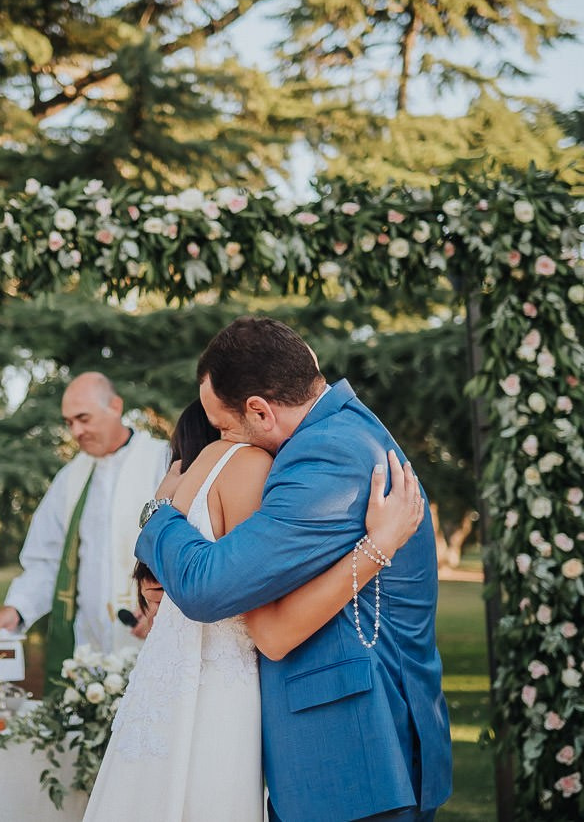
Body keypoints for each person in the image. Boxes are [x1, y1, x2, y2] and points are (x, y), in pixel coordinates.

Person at [137, 316, 453, 822]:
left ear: (259, 411)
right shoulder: (346, 430)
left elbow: (207, 586)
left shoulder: (325, 457)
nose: (222, 442)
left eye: (223, 427)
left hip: (355, 752)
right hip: (352, 748)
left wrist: (156, 516)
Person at [84, 397, 426, 822]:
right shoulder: (246, 466)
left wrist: (155, 511)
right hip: (222, 700)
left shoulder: (180, 497)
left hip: (168, 697)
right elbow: (265, 618)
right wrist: (378, 546)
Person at [0, 372, 170, 689]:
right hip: (91, 647)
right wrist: (17, 609)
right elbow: (46, 559)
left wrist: (164, 605)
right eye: (69, 422)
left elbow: (193, 540)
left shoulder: (162, 460)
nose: (76, 431)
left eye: (83, 418)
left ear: (116, 406)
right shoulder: (71, 478)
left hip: (153, 639)